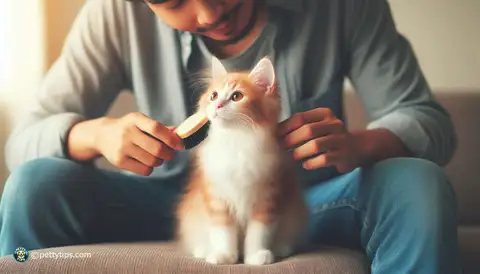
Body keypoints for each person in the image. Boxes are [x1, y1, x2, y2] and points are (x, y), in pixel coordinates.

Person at [0, 0, 461, 273]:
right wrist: (95, 133)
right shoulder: (114, 12)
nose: (207, 13)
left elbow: (429, 122)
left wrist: (360, 144)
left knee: (416, 183)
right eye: (172, 1)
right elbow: (21, 141)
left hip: (297, 203)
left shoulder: (343, 6)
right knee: (33, 185)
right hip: (163, 201)